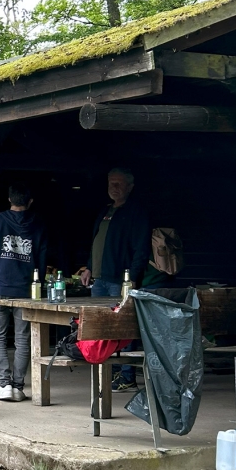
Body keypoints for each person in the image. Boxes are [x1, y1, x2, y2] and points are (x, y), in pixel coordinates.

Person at [79, 167, 150, 390]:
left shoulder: (136, 212)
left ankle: (127, 376)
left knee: (123, 328)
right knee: (100, 329)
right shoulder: (106, 211)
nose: (114, 188)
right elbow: (96, 242)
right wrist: (89, 268)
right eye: (111, 183)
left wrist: (133, 278)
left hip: (120, 280)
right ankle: (109, 372)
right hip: (98, 280)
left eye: (119, 184)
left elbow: (141, 249)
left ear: (130, 187)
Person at [0, 184, 46, 402]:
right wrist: (39, 285)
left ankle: (4, 384)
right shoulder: (38, 225)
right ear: (30, 201)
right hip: (26, 289)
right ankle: (18, 387)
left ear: (9, 199)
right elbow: (42, 260)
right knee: (22, 339)